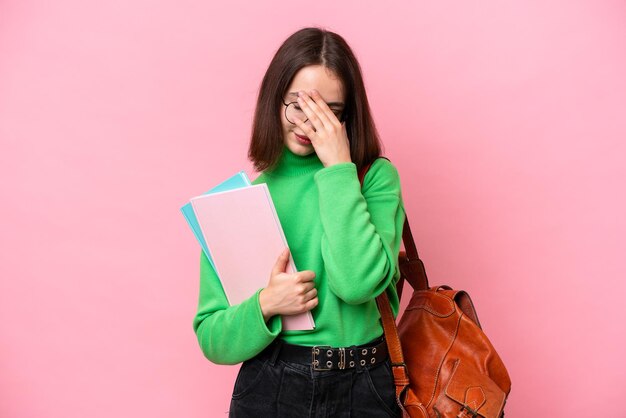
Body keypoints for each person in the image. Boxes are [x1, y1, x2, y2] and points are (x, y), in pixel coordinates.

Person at [192, 26, 406, 417]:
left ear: (347, 116)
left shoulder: (371, 179)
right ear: (274, 101)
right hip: (273, 385)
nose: (310, 124)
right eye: (298, 105)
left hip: (366, 383)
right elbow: (212, 338)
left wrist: (339, 168)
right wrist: (266, 304)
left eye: (329, 113)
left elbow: (357, 284)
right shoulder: (241, 201)